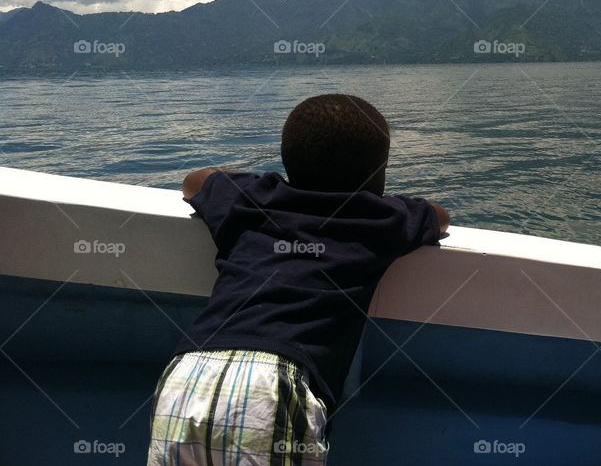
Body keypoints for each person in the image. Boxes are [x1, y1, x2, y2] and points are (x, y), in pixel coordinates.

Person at [146, 94, 449, 465]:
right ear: (379, 174)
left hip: (189, 373)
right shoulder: (382, 220)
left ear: (287, 159)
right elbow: (440, 216)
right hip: (273, 388)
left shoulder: (250, 199)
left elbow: (196, 181)